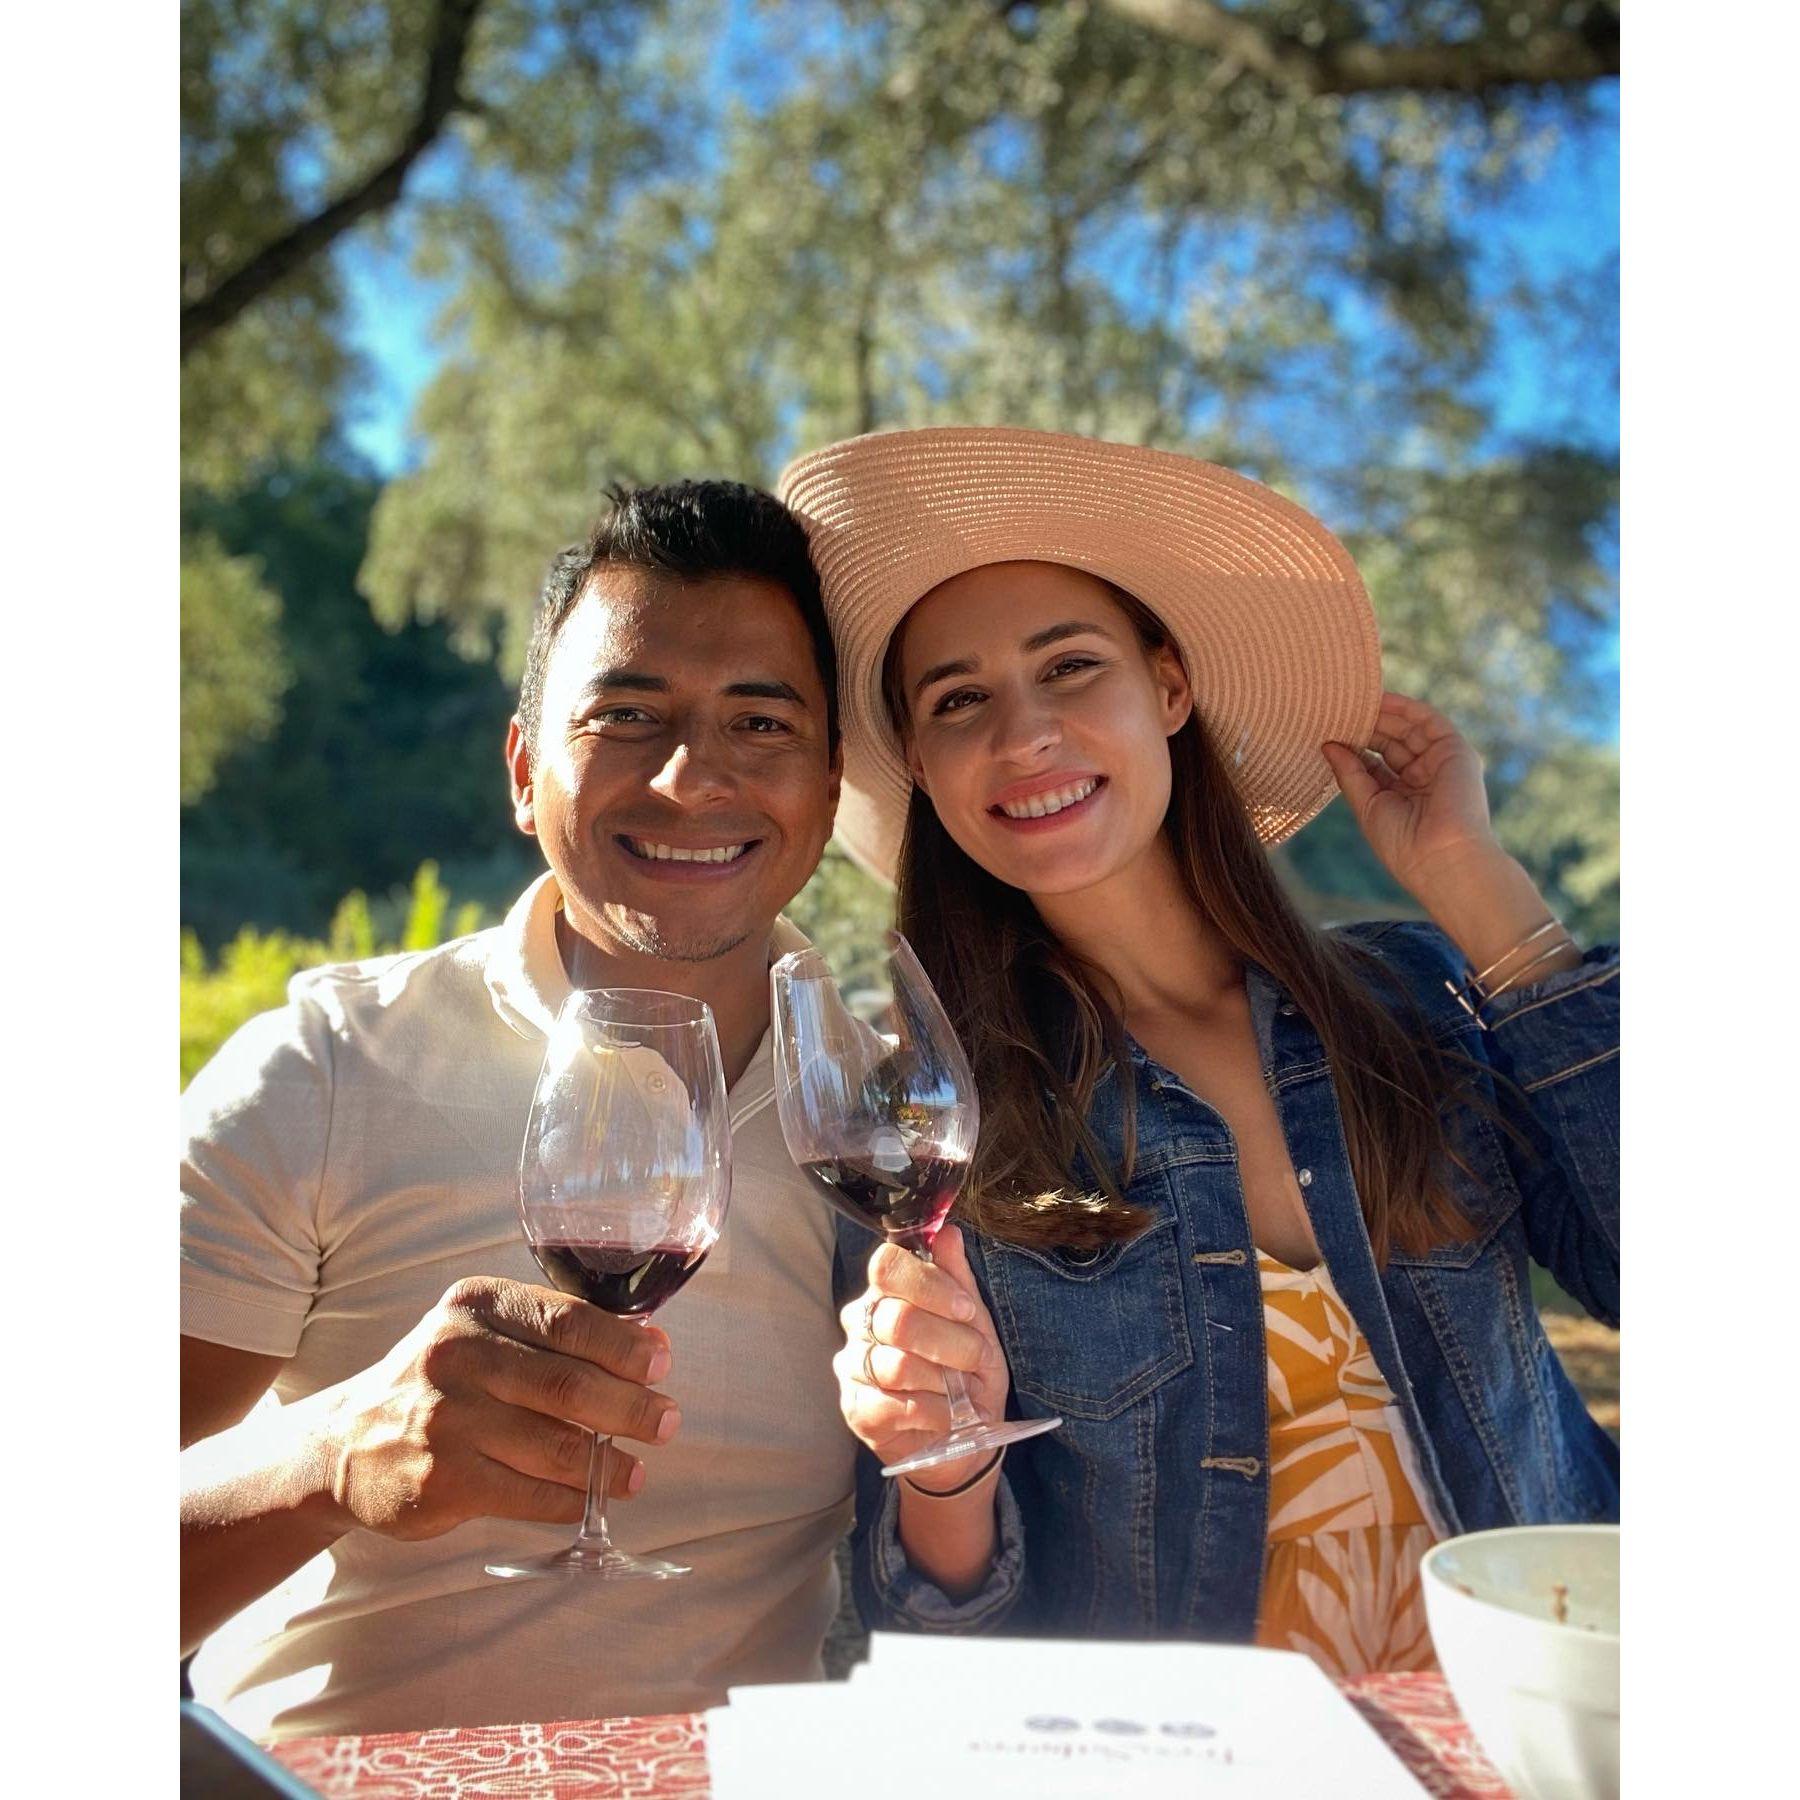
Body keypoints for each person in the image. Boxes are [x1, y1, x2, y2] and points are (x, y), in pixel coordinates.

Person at [776, 426, 1618, 1672]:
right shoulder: (931, 1128)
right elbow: (946, 1635)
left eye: (1070, 666)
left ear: (1168, 687)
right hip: (1203, 1751)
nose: (1023, 734)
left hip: (1549, 1716)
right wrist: (941, 1469)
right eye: (958, 701)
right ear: (925, 767)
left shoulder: (1413, 1002)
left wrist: (1475, 885)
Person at [181, 480, 856, 1739]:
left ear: (831, 784)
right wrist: (323, 1462)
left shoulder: (879, 1115)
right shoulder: (325, 1069)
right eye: (625, 715)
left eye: (760, 723)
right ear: (522, 771)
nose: (690, 776)